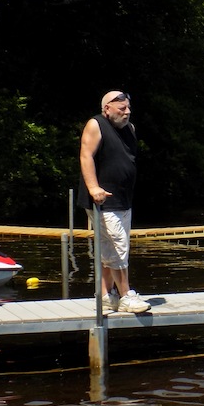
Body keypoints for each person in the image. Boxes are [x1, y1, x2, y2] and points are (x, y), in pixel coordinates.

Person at [77, 90, 150, 313]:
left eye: (128, 108)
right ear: (107, 108)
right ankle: (126, 295)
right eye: (122, 109)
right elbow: (86, 155)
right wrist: (93, 187)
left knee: (111, 247)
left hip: (123, 198)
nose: (127, 113)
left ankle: (106, 294)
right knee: (118, 246)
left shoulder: (130, 128)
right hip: (103, 199)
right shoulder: (96, 124)